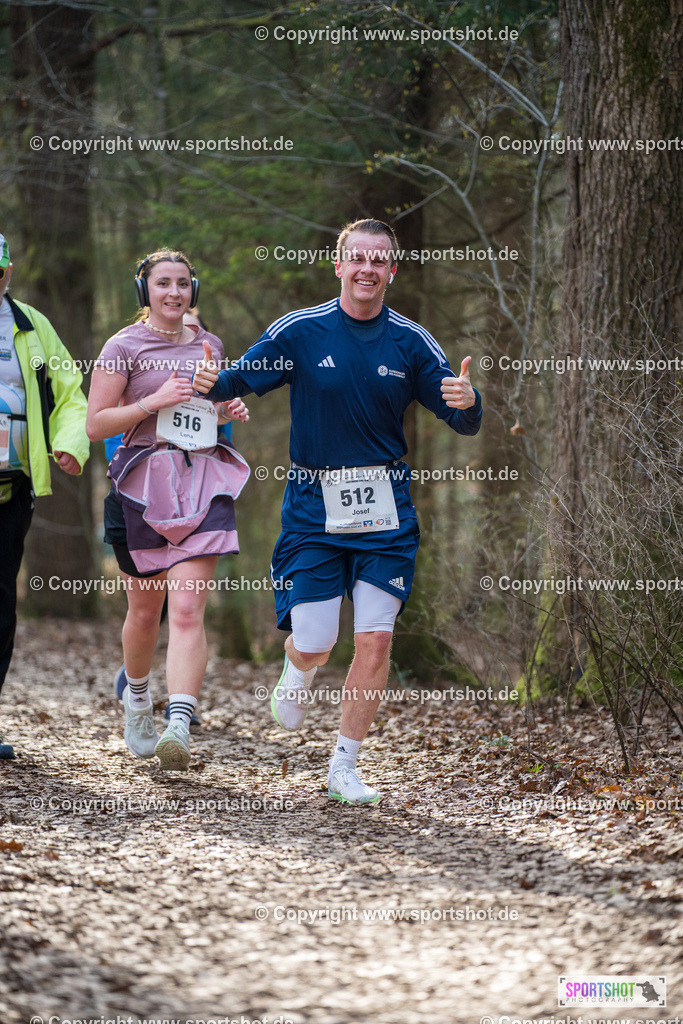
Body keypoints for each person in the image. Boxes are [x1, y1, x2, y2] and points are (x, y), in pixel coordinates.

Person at [193, 218, 482, 804]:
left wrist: (469, 402)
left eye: (379, 260)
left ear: (392, 271)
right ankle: (298, 670)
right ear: (339, 264)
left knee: (375, 638)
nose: (367, 269)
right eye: (358, 258)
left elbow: (461, 416)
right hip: (314, 506)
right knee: (318, 638)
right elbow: (238, 379)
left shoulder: (411, 341)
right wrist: (207, 381)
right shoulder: (302, 332)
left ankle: (344, 766)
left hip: (385, 508)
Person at [86, 250, 250, 770]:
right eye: (163, 284)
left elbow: (208, 407)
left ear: (193, 290)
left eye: (183, 283)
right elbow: (97, 424)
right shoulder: (122, 346)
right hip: (140, 488)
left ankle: (178, 723)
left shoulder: (209, 344)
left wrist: (227, 406)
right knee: (144, 612)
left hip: (201, 482)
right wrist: (151, 402)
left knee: (185, 610)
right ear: (145, 291)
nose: (174, 293)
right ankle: (137, 699)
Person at [0, 232, 89, 759]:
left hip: (11, 492)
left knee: (0, 608)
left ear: (6, 272)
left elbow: (71, 393)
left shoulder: (31, 326)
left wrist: (70, 443)